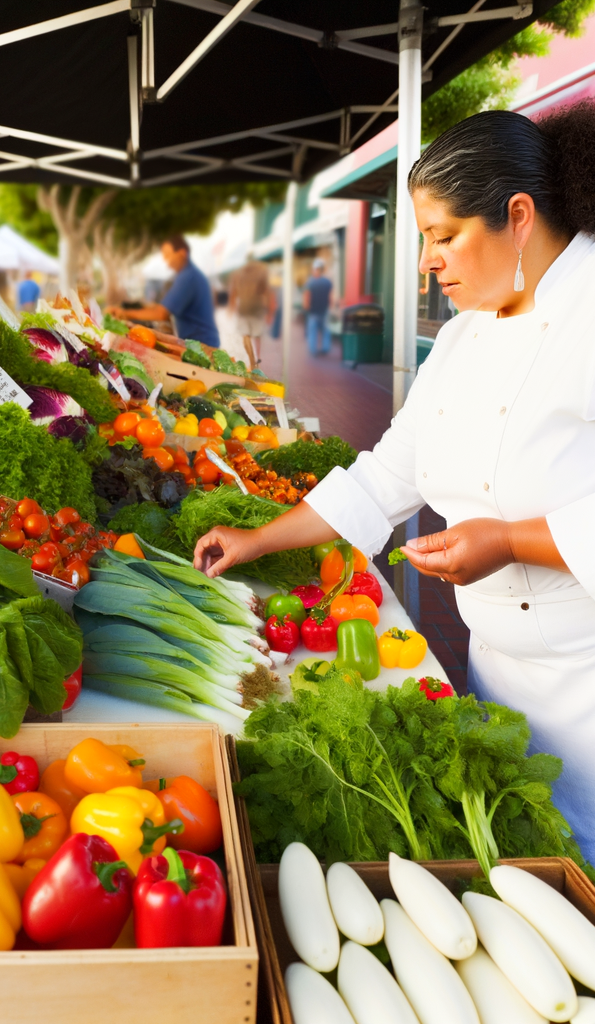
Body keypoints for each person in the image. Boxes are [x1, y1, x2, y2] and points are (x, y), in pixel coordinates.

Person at [193, 103, 595, 857]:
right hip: (497, 669)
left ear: (516, 215)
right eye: (423, 240)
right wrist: (256, 540)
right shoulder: (468, 331)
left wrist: (510, 540)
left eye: (444, 236)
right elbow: (388, 472)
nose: (426, 263)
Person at [106, 235, 221, 347]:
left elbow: (162, 314)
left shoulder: (188, 277)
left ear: (182, 253)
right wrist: (140, 307)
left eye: (169, 256)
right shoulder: (189, 274)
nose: (168, 262)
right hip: (200, 342)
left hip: (203, 344)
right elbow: (163, 307)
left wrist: (124, 313)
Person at [228, 252, 271, 365]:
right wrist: (269, 311)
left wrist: (231, 308)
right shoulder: (261, 272)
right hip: (256, 309)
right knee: (257, 336)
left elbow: (234, 292)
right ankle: (257, 358)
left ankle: (252, 361)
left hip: (243, 309)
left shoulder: (239, 273)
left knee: (245, 335)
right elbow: (266, 291)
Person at [303, 257, 333, 355]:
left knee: (312, 332)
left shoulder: (310, 282)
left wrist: (306, 307)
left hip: (313, 311)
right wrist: (330, 307)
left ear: (316, 269)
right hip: (324, 310)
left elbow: (307, 297)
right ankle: (325, 348)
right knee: (326, 330)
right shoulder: (328, 282)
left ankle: (313, 350)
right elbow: (330, 297)